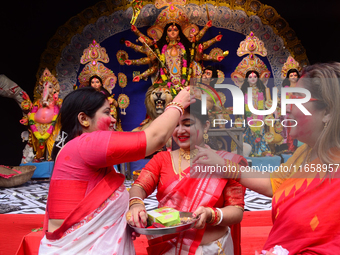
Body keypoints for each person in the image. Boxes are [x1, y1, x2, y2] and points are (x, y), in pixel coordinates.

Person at [196, 62, 340, 254]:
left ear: (328, 112)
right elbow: (274, 184)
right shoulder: (305, 152)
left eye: (296, 100)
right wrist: (223, 164)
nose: (286, 109)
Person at [39, 86, 194, 255]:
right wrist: (178, 103)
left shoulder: (72, 148)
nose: (113, 120)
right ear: (83, 119)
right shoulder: (86, 143)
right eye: (106, 113)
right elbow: (155, 138)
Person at [127, 99, 247, 255]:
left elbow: (236, 211)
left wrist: (211, 214)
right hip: (169, 248)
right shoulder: (161, 159)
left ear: (205, 126)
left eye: (187, 124)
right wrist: (136, 203)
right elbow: (139, 186)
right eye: (175, 125)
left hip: (214, 249)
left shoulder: (227, 162)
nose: (180, 130)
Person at [240, 70, 271, 156]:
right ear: (247, 79)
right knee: (248, 133)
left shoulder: (262, 90)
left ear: (258, 78)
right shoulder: (243, 91)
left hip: (260, 115)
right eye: (250, 77)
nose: (253, 79)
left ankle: (262, 151)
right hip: (248, 116)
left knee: (260, 132)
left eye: (255, 77)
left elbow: (267, 103)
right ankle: (248, 151)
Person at [282, 68, 301, 152]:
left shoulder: (301, 88)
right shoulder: (286, 89)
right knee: (289, 130)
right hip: (288, 113)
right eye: (291, 75)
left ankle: (299, 148)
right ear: (288, 78)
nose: (293, 77)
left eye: (295, 75)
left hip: (299, 112)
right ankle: (290, 147)